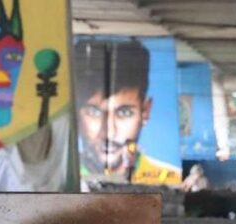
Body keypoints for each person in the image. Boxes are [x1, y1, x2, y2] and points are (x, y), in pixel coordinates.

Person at [74, 39, 179, 184]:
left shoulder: (169, 179)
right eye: (94, 112)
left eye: (124, 113)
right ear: (75, 112)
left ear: (145, 111)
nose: (109, 133)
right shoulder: (56, 181)